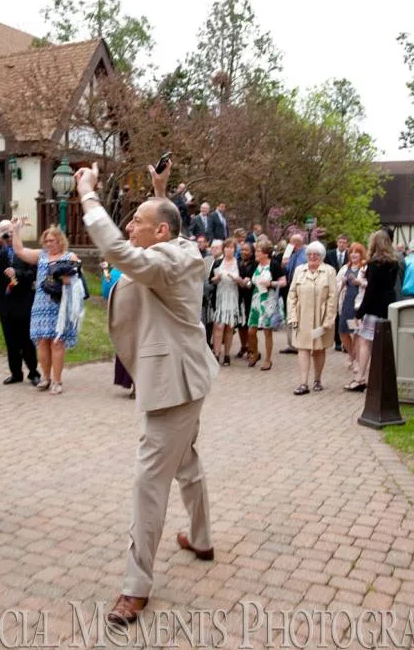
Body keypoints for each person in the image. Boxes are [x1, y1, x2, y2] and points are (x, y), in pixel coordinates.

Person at [74, 158, 218, 627]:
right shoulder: (173, 244)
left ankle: (135, 589)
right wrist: (161, 190)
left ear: (158, 232)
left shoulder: (170, 257)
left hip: (173, 388)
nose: (128, 226)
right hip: (185, 379)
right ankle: (201, 538)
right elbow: (166, 225)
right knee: (186, 462)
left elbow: (125, 254)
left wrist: (89, 196)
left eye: (136, 220)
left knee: (147, 484)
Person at [10, 224, 82, 395]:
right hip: (41, 304)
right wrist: (15, 231)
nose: (50, 244)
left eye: (53, 240)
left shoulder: (68, 256)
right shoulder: (41, 256)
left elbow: (79, 276)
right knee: (42, 341)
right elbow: (19, 251)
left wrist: (68, 278)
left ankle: (57, 381)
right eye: (47, 241)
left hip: (60, 304)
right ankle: (45, 377)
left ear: (60, 241)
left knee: (57, 342)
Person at [0, 220, 40, 386]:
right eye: (3, 231)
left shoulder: (25, 251)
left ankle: (33, 372)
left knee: (27, 341)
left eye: (9, 231)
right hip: (5, 303)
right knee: (11, 342)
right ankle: (16, 373)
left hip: (23, 302)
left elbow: (33, 274)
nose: (7, 234)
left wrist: (18, 273)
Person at [345, 230, 399, 392]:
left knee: (364, 342)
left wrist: (360, 313)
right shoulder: (394, 263)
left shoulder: (374, 264)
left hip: (374, 307)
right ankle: (379, 379)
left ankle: (360, 378)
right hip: (388, 306)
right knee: (381, 344)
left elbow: (371, 291)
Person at [287, 241, 338, 395]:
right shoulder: (299, 270)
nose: (312, 257)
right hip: (302, 318)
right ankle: (303, 383)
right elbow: (292, 295)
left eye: (316, 254)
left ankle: (317, 379)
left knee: (319, 349)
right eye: (309, 254)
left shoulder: (329, 271)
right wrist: (292, 316)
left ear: (322, 256)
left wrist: (328, 320)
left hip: (321, 318)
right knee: (302, 348)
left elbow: (332, 296)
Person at [246, 239, 286, 370]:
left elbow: (283, 282)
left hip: (268, 300)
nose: (255, 253)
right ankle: (256, 353)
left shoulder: (274, 265)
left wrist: (271, 284)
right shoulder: (254, 265)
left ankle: (268, 359)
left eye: (258, 251)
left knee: (267, 331)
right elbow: (249, 279)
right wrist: (246, 281)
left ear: (265, 253)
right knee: (251, 331)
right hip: (256, 300)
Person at [100, 260, 135, 397]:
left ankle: (139, 385)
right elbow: (106, 291)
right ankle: (133, 383)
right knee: (127, 349)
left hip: (141, 314)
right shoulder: (116, 271)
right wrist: (105, 273)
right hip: (123, 314)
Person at [209, 238, 244, 365]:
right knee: (218, 326)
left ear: (235, 249)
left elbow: (244, 282)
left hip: (233, 297)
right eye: (227, 247)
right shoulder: (218, 263)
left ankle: (227, 354)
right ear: (223, 249)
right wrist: (216, 278)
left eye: (232, 247)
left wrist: (237, 279)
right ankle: (217, 353)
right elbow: (210, 280)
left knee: (229, 326)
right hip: (220, 297)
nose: (229, 250)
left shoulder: (238, 263)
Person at [336, 242, 367, 375]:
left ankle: (357, 361)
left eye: (357, 252)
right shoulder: (345, 268)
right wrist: (342, 281)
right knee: (343, 331)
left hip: (358, 303)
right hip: (346, 302)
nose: (354, 254)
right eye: (352, 252)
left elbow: (369, 284)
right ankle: (352, 354)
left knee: (356, 332)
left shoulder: (365, 268)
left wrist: (359, 281)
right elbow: (337, 284)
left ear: (361, 254)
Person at [280, 233, 306, 354]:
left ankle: (300, 343)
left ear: (295, 244)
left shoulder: (305, 255)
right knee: (290, 314)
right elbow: (287, 270)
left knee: (300, 316)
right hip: (290, 288)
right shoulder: (292, 255)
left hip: (302, 289)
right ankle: (291, 344)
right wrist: (284, 264)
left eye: (291, 243)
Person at [326, 234, 350, 351]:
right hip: (332, 285)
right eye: (340, 242)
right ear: (337, 242)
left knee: (343, 314)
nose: (342, 244)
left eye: (344, 242)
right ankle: (337, 341)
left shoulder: (350, 255)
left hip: (345, 288)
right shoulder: (329, 254)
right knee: (334, 314)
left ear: (347, 244)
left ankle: (345, 341)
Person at [235, 241, 257, 358]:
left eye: (246, 250)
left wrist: (246, 282)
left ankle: (251, 347)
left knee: (249, 323)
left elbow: (254, 280)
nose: (243, 252)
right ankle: (243, 345)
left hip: (250, 296)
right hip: (239, 296)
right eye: (242, 249)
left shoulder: (255, 264)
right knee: (240, 323)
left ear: (251, 252)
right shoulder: (237, 263)